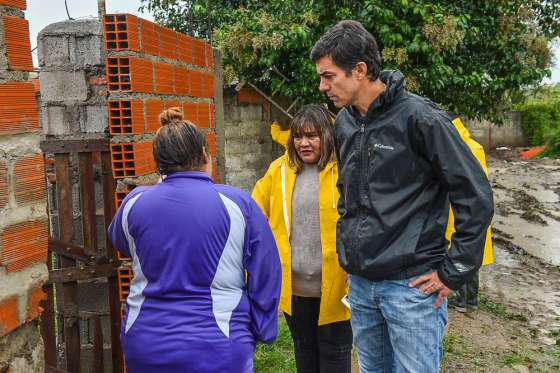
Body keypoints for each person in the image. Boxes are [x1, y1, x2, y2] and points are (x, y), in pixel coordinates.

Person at [311, 21, 494, 372]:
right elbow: (347, 193)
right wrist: (352, 256)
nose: (323, 86)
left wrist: (453, 271)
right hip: (362, 287)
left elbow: (475, 195)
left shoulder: (421, 118)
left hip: (412, 288)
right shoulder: (345, 123)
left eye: (329, 76)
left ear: (360, 70)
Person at [107, 108, 282, 373]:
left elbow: (121, 242)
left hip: (146, 345)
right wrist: (262, 329)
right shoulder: (237, 203)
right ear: (204, 154)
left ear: (158, 163)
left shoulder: (134, 203)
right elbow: (266, 271)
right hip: (221, 344)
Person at [252, 104, 352, 373]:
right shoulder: (279, 171)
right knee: (304, 355)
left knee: (335, 357)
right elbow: (254, 212)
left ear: (328, 136)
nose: (303, 143)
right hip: (295, 290)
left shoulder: (344, 170)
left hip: (338, 291)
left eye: (312, 136)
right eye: (298, 136)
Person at [446, 115, 494, 312]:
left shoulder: (464, 147)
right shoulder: (469, 145)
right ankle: (465, 299)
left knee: (467, 252)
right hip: (462, 208)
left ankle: (467, 300)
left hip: (466, 209)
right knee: (464, 252)